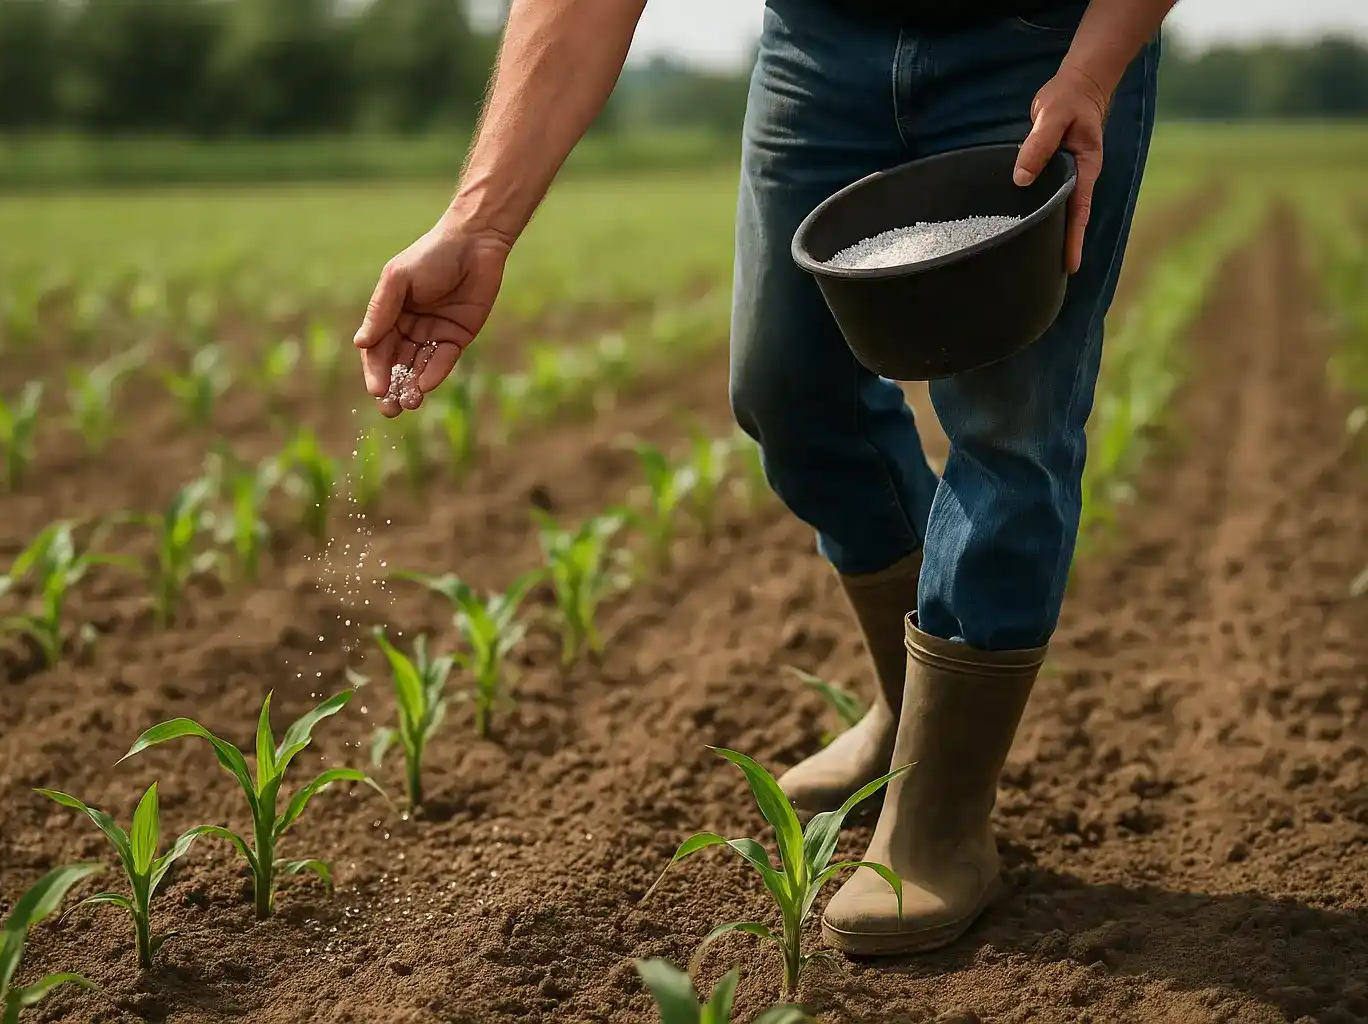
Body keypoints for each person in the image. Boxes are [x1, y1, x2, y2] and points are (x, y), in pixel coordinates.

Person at [353, 0, 1171, 956]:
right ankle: (913, 710)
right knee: (789, 390)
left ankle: (941, 817)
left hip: (1043, 48)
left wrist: (1094, 69)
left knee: (1010, 428)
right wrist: (477, 222)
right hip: (823, 44)